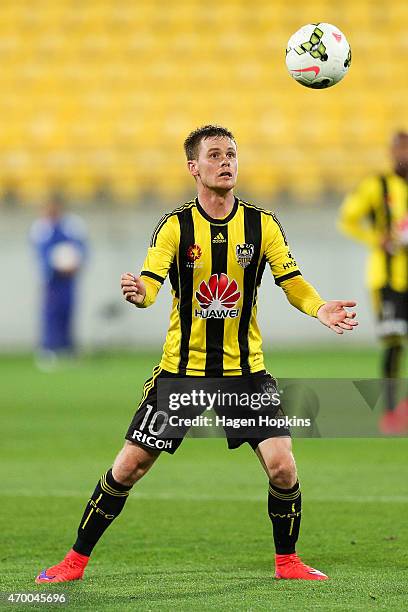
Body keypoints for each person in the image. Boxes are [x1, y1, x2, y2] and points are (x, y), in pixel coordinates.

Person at [36, 125, 357, 584]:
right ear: (194, 167)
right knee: (129, 466)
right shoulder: (175, 226)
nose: (226, 161)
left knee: (283, 465)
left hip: (245, 373)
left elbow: (292, 281)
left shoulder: (262, 224)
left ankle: (288, 563)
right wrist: (138, 292)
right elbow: (150, 284)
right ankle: (74, 561)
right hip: (182, 372)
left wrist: (320, 306)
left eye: (231, 154)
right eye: (215, 155)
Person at [338, 131, 408, 434]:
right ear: (391, 152)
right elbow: (347, 218)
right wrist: (376, 239)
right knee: (394, 341)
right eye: (399, 149)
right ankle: (392, 411)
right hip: (387, 278)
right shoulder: (376, 185)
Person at [30, 197, 87, 364]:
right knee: (51, 312)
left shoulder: (73, 225)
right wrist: (53, 267)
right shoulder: (41, 228)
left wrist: (76, 264)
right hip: (52, 279)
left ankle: (68, 348)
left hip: (69, 279)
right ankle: (48, 349)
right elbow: (40, 254)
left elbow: (82, 248)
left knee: (68, 311)